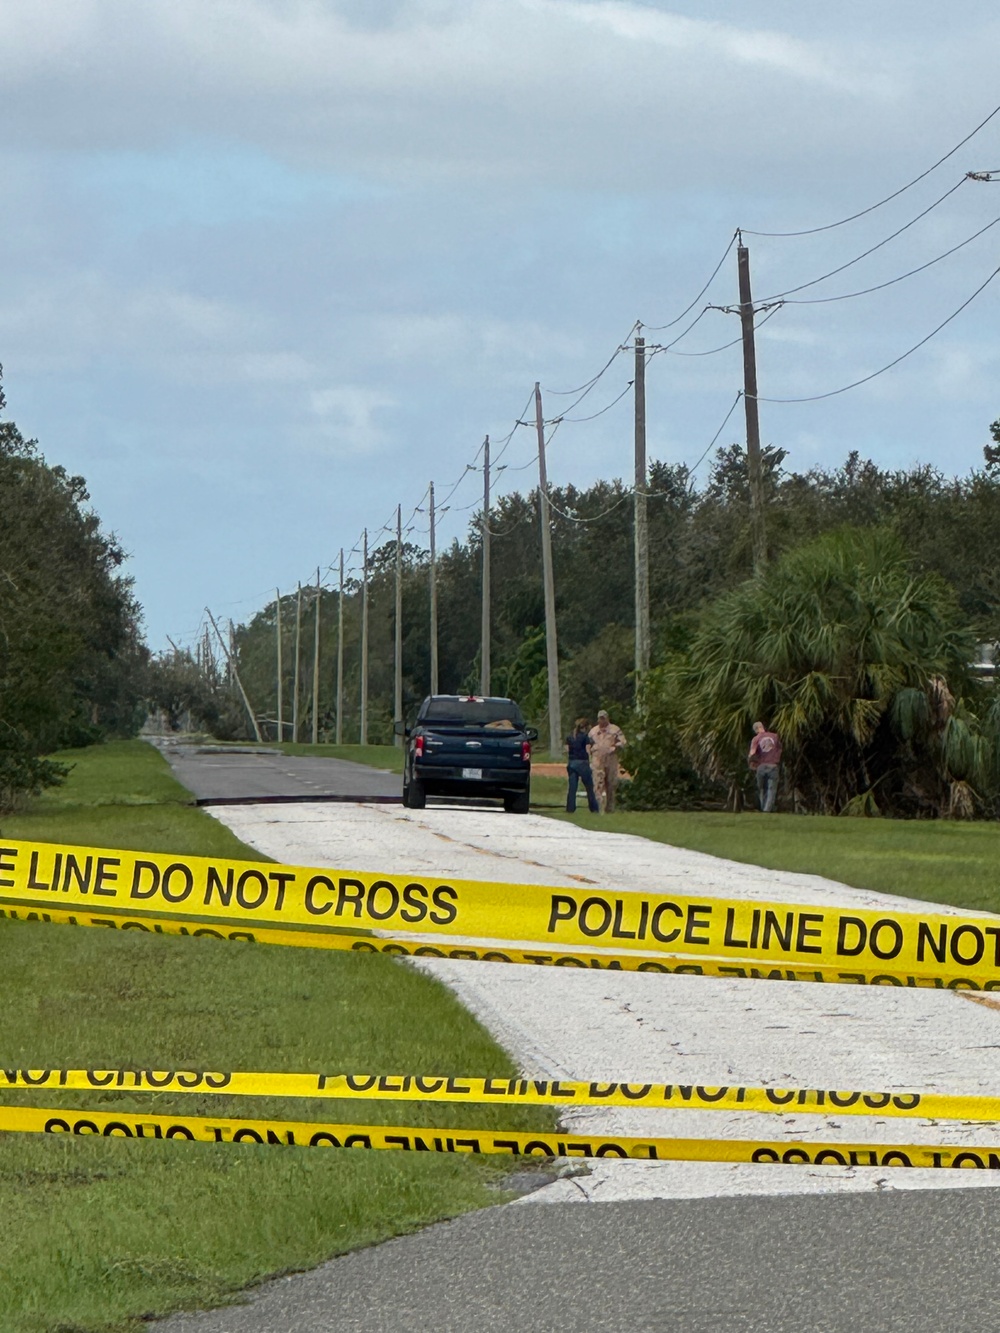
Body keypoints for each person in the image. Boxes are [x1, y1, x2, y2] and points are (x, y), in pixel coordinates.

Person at [588, 709, 626, 813]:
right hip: (597, 759)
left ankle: (610, 807)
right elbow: (588, 744)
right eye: (600, 719)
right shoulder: (593, 731)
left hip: (611, 759)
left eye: (603, 718)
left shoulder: (615, 729)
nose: (601, 721)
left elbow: (623, 742)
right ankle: (598, 807)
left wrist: (615, 747)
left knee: (611, 783)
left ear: (607, 718)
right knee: (597, 782)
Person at [565, 718, 599, 814]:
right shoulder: (585, 737)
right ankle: (594, 808)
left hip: (572, 763)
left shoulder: (570, 737)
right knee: (589, 787)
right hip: (582, 762)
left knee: (572, 788)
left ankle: (570, 808)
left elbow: (567, 750)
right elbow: (588, 750)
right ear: (585, 727)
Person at [748, 720, 782, 812]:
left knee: (762, 788)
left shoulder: (756, 739)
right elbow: (779, 749)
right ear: (762, 727)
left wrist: (750, 763)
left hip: (761, 766)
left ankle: (763, 808)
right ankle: (767, 810)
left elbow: (752, 753)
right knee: (771, 789)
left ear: (756, 730)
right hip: (773, 766)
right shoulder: (775, 736)